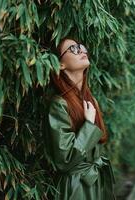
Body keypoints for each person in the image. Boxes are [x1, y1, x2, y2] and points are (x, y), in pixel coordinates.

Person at [44, 37, 116, 200]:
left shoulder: (90, 101)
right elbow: (65, 159)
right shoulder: (59, 104)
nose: (82, 51)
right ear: (60, 64)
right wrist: (89, 124)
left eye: (82, 47)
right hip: (76, 187)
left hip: (95, 182)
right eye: (74, 49)